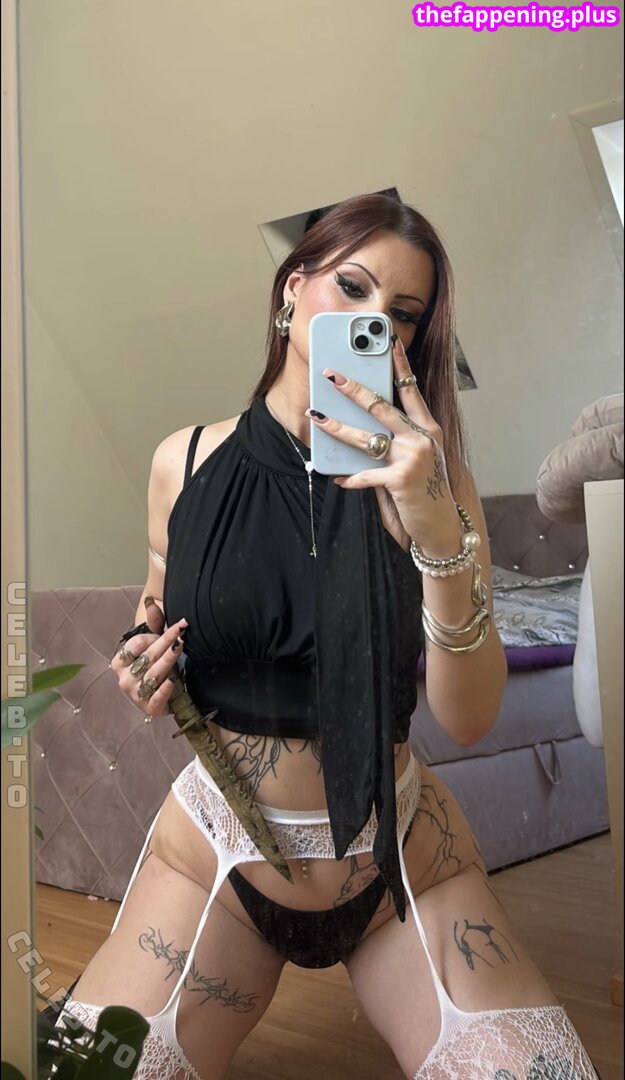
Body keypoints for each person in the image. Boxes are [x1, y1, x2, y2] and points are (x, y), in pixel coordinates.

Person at [53, 195, 599, 1078]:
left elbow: (466, 719)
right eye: (351, 286)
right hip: (216, 857)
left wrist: (433, 527)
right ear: (291, 286)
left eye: (402, 313)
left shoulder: (436, 479)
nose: (372, 319)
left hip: (401, 859)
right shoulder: (181, 462)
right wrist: (142, 662)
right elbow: (153, 613)